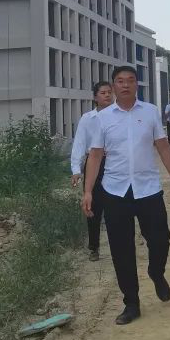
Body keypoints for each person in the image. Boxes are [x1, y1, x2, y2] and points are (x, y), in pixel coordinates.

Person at [83, 66, 170, 325]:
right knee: (121, 249)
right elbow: (95, 155)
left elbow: (163, 146)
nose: (125, 85)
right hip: (115, 190)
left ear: (136, 85)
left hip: (148, 188)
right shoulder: (103, 118)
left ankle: (156, 271)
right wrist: (88, 191)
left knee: (160, 239)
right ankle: (131, 303)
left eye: (130, 80)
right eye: (120, 81)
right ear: (113, 86)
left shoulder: (150, 112)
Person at [70, 81, 114, 261]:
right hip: (94, 163)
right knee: (93, 205)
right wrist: (76, 169)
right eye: (103, 92)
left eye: (109, 92)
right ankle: (94, 247)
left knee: (115, 204)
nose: (107, 95)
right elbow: (79, 143)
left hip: (114, 162)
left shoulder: (118, 116)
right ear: (95, 97)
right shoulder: (88, 119)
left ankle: (119, 244)